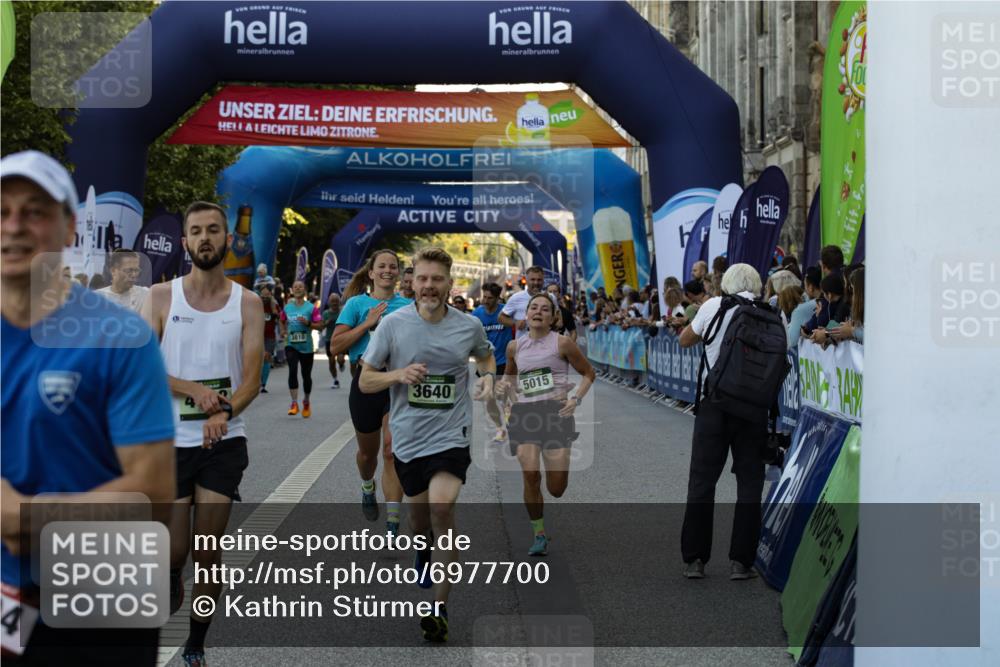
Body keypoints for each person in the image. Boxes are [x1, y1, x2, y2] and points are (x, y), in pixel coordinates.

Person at [2, 150, 175, 666]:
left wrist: (28, 516)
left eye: (34, 211)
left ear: (69, 226)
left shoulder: (120, 336)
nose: (14, 226)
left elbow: (152, 494)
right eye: (2, 210)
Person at [143, 200, 263, 667]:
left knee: (207, 551)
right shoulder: (159, 296)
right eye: (197, 231)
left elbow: (252, 379)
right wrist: (191, 389)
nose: (206, 238)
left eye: (215, 229)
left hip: (224, 441)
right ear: (185, 242)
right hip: (169, 441)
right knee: (175, 549)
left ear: (227, 239)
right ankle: (171, 573)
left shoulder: (247, 302)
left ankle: (196, 643)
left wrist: (224, 411)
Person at [359, 246, 496, 643]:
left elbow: (486, 359)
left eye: (437, 279)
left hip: (452, 435)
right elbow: (366, 380)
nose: (429, 286)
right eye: (422, 279)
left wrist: (486, 379)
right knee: (420, 523)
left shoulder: (468, 326)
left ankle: (439, 609)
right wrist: (398, 375)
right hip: (408, 439)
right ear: (411, 283)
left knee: (441, 507)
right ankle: (422, 549)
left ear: (450, 284)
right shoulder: (392, 325)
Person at [678, 264, 770, 581]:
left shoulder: (713, 306)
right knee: (749, 484)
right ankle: (741, 562)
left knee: (703, 481)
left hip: (715, 404)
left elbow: (685, 340)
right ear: (757, 285)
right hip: (755, 409)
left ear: (724, 284)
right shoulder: (770, 311)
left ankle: (695, 559)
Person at [496, 293, 595, 556]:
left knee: (556, 488)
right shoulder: (515, 347)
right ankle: (538, 533)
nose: (538, 312)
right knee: (530, 474)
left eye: (544, 309)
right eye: (533, 308)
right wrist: (504, 387)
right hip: (525, 414)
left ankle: (550, 493)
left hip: (556, 414)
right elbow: (509, 379)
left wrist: (575, 399)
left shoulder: (562, 344)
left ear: (553, 318)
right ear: (525, 314)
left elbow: (589, 373)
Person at [330, 249, 411, 534]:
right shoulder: (356, 304)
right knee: (368, 455)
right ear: (372, 273)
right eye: (382, 266)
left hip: (396, 384)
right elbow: (335, 346)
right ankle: (367, 485)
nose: (388, 270)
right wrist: (367, 324)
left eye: (393, 266)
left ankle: (392, 520)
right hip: (364, 383)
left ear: (398, 273)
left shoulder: (408, 306)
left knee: (391, 450)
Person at [473, 283, 514, 443]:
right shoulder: (477, 314)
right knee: (488, 398)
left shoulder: (505, 312)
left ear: (498, 298)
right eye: (485, 297)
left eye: (490, 298)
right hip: (485, 362)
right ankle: (500, 428)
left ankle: (510, 425)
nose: (486, 300)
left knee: (504, 398)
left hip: (504, 361)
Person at [281, 280, 324, 417]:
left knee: (306, 376)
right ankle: (294, 403)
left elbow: (320, 325)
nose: (298, 289)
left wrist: (309, 323)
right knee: (292, 371)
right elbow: (282, 320)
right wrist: (283, 331)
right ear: (292, 290)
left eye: (300, 286)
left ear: (304, 289)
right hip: (291, 344)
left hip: (306, 346)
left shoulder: (311, 308)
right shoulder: (288, 307)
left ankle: (306, 401)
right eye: (295, 287)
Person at [499, 266, 557, 337]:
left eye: (539, 280)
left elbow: (557, 318)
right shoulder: (516, 298)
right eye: (532, 279)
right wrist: (515, 323)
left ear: (543, 281)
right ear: (526, 281)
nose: (536, 283)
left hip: (546, 343)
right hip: (523, 345)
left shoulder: (551, 297)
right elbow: (501, 317)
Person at [97, 248, 149, 312]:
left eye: (136, 270)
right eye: (129, 270)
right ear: (113, 271)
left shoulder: (145, 295)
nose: (134, 275)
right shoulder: (97, 298)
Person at [787, 266, 821, 348]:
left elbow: (790, 341)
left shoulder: (800, 310)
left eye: (805, 286)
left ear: (811, 287)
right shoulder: (833, 303)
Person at [259, 285, 283, 392]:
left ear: (271, 295)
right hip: (256, 335)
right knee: (257, 359)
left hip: (269, 336)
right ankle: (256, 381)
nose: (264, 298)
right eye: (262, 295)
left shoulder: (274, 304)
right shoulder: (255, 304)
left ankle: (263, 384)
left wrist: (273, 306)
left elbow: (279, 317)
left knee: (267, 357)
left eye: (267, 295)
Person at [830, 268, 864, 344]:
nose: (846, 287)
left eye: (852, 288)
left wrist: (851, 331)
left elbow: (836, 322)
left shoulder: (845, 303)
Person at [320, 292, 346, 388]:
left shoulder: (343, 312)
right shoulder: (326, 313)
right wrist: (326, 323)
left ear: (339, 301)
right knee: (331, 362)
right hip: (329, 340)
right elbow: (321, 326)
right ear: (329, 302)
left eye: (336, 301)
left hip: (341, 339)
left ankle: (341, 363)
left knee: (340, 359)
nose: (334, 303)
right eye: (332, 301)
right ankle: (335, 380)